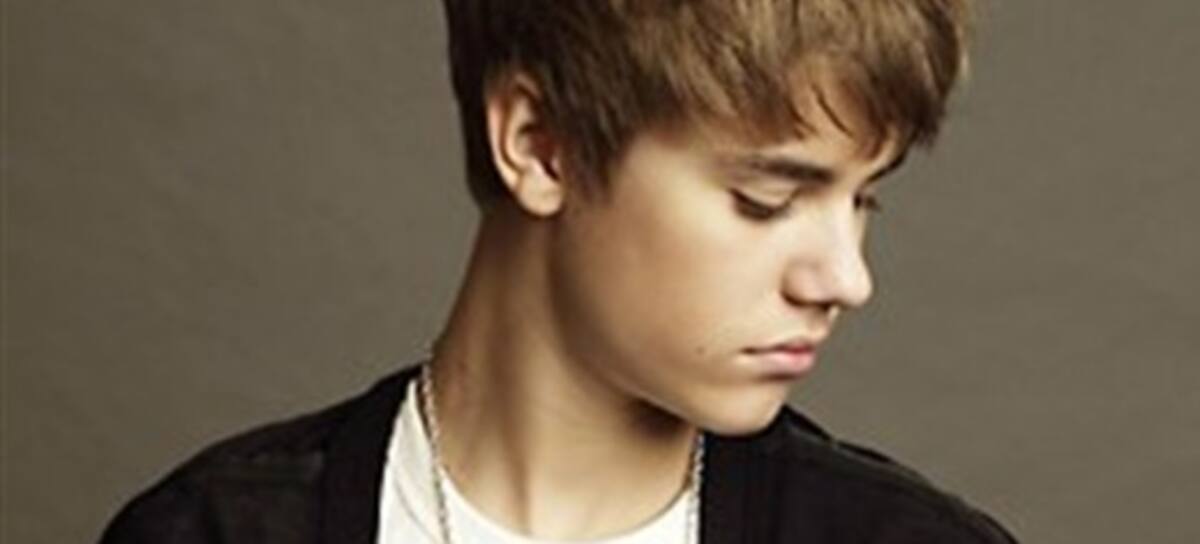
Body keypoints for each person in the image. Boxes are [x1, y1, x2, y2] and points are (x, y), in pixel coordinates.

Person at [102, 0, 1018, 542]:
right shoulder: (209, 532)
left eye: (863, 201)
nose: (846, 279)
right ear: (541, 146)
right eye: (766, 200)